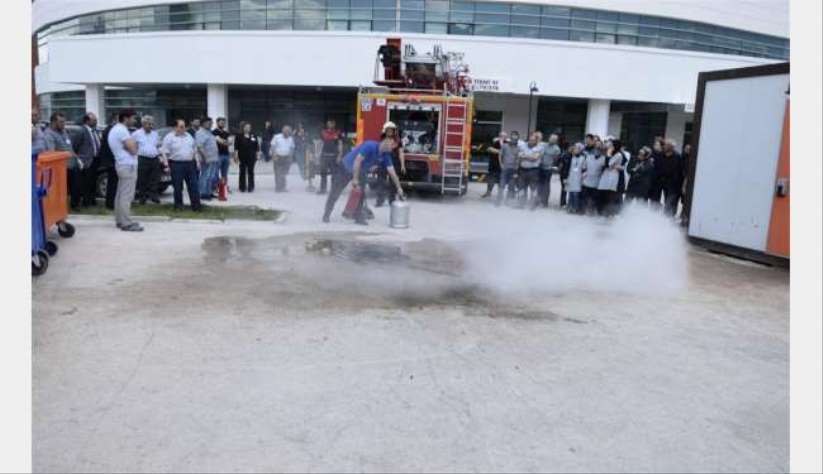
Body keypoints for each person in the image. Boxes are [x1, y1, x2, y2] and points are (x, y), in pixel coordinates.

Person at [322, 138, 405, 225]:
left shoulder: (385, 155)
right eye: (392, 145)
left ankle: (358, 217)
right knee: (336, 191)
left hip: (361, 171)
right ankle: (326, 214)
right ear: (386, 142)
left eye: (394, 147)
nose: (393, 148)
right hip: (346, 167)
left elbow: (392, 172)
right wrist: (355, 179)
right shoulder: (370, 146)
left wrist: (399, 187)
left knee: (361, 194)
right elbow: (357, 161)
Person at [108, 109, 143, 231]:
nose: (134, 120)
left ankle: (119, 220)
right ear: (126, 118)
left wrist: (131, 145)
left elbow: (130, 147)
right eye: (133, 118)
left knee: (120, 194)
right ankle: (126, 223)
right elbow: (134, 149)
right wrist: (133, 145)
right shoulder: (122, 130)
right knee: (126, 195)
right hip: (127, 165)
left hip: (122, 164)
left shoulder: (116, 130)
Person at [43, 112, 84, 209]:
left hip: (72, 164)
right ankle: (60, 207)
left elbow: (69, 147)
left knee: (76, 187)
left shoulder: (64, 132)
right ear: (53, 122)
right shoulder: (49, 134)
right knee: (61, 190)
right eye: (61, 122)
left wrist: (77, 159)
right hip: (61, 167)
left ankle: (74, 205)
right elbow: (51, 152)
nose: (63, 124)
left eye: (64, 122)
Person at [160, 119, 201, 211]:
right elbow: (164, 152)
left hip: (190, 164)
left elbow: (194, 150)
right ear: (175, 127)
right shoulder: (169, 137)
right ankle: (178, 206)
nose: (184, 128)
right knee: (178, 187)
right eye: (181, 126)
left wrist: (197, 162)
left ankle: (196, 206)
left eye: (184, 126)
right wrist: (166, 165)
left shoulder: (189, 136)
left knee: (193, 185)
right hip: (176, 164)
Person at [72, 112, 101, 207]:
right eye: (94, 120)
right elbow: (75, 146)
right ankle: (85, 202)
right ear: (87, 121)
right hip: (85, 161)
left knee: (93, 182)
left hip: (95, 160)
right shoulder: (81, 131)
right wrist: (79, 158)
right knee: (85, 183)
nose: (96, 122)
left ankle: (92, 200)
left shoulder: (94, 130)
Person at [132, 115, 162, 205]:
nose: (151, 126)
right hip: (142, 159)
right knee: (142, 179)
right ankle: (142, 197)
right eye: (149, 124)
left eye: (152, 124)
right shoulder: (136, 134)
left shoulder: (155, 134)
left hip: (154, 158)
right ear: (143, 124)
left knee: (155, 178)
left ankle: (154, 196)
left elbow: (158, 146)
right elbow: (133, 146)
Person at [375, 121, 406, 207]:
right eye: (388, 130)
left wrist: (402, 165)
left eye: (391, 130)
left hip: (394, 163)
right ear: (385, 131)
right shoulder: (382, 139)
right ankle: (379, 200)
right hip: (383, 163)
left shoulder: (398, 141)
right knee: (380, 181)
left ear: (394, 131)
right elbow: (378, 152)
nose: (390, 132)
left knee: (393, 183)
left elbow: (401, 153)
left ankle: (391, 200)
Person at [654, 139, 685, 217]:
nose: (664, 146)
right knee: (665, 202)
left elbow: (680, 171)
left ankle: (669, 219)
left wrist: (680, 185)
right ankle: (667, 217)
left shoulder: (677, 157)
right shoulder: (661, 155)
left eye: (667, 145)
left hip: (673, 185)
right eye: (665, 145)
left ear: (671, 147)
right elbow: (657, 167)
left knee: (670, 203)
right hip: (662, 183)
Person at [487, 131, 517, 207]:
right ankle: (489, 192)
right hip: (495, 166)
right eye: (501, 136)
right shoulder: (495, 142)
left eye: (504, 136)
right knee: (492, 180)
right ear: (499, 136)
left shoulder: (508, 143)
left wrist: (498, 151)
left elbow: (509, 153)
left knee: (503, 184)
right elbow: (489, 149)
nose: (503, 137)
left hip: (506, 167)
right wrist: (500, 152)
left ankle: (506, 200)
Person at [597, 139, 625, 217]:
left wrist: (608, 154)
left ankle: (608, 214)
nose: (610, 146)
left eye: (612, 145)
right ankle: (601, 213)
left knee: (609, 196)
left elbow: (608, 164)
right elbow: (604, 164)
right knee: (602, 194)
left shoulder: (618, 155)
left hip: (612, 178)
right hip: (605, 176)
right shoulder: (609, 153)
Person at [195, 117, 220, 200]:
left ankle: (209, 192)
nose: (211, 124)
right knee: (205, 176)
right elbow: (200, 146)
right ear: (203, 123)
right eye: (209, 123)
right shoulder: (200, 132)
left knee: (211, 176)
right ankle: (202, 193)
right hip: (206, 159)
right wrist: (205, 158)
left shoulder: (209, 132)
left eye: (211, 123)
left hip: (213, 158)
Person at [516, 132, 543, 209]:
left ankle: (533, 204)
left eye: (533, 140)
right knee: (521, 188)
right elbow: (520, 156)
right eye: (530, 140)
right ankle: (521, 204)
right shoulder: (522, 146)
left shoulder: (539, 147)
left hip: (533, 171)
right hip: (522, 170)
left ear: (536, 141)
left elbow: (535, 158)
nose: (531, 141)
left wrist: (525, 156)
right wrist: (530, 157)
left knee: (533, 188)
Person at [580, 134, 605, 215]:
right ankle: (583, 211)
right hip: (587, 181)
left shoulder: (604, 159)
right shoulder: (589, 156)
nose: (597, 150)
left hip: (597, 182)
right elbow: (584, 167)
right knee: (584, 198)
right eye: (596, 148)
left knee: (594, 199)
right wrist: (584, 173)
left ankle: (592, 212)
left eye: (599, 148)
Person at [317, 119, 343, 195]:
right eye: (329, 123)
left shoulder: (338, 133)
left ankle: (333, 190)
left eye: (332, 123)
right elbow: (320, 143)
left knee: (334, 175)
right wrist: (318, 155)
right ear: (327, 124)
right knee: (323, 174)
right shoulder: (323, 132)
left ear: (334, 124)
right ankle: (323, 189)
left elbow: (340, 144)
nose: (330, 125)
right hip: (324, 156)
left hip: (334, 156)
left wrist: (340, 155)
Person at [234, 122, 259, 192]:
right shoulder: (239, 136)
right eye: (246, 127)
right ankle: (242, 187)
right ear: (243, 128)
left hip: (251, 156)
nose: (247, 128)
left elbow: (257, 146)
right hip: (242, 156)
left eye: (249, 127)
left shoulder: (253, 135)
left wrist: (257, 155)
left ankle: (251, 187)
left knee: (251, 171)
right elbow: (236, 147)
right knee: (242, 171)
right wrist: (235, 156)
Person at [538, 133, 561, 208]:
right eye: (551, 138)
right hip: (541, 167)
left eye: (554, 139)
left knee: (546, 185)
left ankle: (544, 202)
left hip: (548, 169)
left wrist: (552, 167)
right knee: (539, 184)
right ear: (549, 138)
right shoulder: (543, 145)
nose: (552, 140)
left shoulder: (557, 149)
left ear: (556, 141)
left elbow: (556, 160)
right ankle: (538, 200)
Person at [270, 125, 295, 192]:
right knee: (278, 173)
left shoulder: (290, 139)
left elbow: (292, 148)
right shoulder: (277, 137)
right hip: (278, 157)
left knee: (284, 173)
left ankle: (283, 187)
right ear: (282, 131)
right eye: (286, 131)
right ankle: (278, 187)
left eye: (288, 131)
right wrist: (274, 155)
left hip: (286, 158)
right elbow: (273, 146)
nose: (287, 132)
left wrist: (291, 157)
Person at [564, 143, 585, 214]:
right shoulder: (570, 157)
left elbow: (584, 168)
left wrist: (583, 176)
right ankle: (570, 207)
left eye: (577, 149)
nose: (575, 150)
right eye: (575, 148)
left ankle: (575, 208)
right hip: (571, 177)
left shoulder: (583, 158)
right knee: (570, 193)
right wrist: (565, 178)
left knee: (576, 194)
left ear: (580, 150)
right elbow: (566, 168)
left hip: (578, 178)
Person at [212, 117, 232, 188]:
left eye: (223, 123)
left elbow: (230, 142)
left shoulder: (227, 132)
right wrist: (226, 142)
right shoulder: (213, 132)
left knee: (225, 173)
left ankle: (224, 187)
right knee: (215, 173)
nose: (222, 124)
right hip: (217, 155)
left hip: (226, 155)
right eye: (221, 122)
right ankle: (216, 187)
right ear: (217, 123)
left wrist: (223, 141)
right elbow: (219, 141)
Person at [292, 123, 310, 190]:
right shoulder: (295, 135)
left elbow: (307, 142)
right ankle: (302, 175)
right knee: (300, 163)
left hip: (304, 151)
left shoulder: (306, 134)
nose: (301, 129)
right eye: (300, 128)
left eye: (302, 128)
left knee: (304, 163)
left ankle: (304, 175)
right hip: (298, 151)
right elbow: (293, 141)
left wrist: (303, 139)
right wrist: (295, 135)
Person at [557, 143, 573, 208]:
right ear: (568, 148)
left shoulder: (572, 155)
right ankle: (563, 203)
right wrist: (561, 173)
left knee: (569, 188)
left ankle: (567, 203)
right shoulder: (564, 155)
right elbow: (560, 165)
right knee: (564, 189)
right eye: (571, 148)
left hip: (570, 174)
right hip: (564, 174)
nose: (572, 149)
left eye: (573, 148)